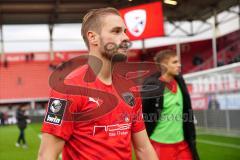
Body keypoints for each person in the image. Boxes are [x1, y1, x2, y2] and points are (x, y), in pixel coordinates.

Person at [38, 7, 158, 160]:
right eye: (116, 31)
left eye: (125, 31)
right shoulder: (68, 89)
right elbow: (47, 155)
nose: (125, 38)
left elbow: (144, 149)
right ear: (92, 37)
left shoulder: (130, 89)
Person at [141, 49, 199, 160]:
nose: (179, 65)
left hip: (182, 145)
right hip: (160, 145)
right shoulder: (153, 87)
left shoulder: (180, 82)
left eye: (179, 62)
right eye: (175, 62)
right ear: (164, 65)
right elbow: (144, 116)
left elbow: (187, 110)